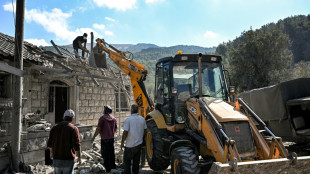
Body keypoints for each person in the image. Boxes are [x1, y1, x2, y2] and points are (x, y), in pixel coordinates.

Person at [47, 109, 81, 174]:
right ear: (73, 119)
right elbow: (77, 145)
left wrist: (52, 153)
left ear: (63, 117)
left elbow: (50, 144)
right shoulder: (74, 129)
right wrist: (79, 158)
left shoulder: (54, 128)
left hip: (57, 160)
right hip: (68, 161)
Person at [121, 104, 147, 174]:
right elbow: (145, 130)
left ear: (131, 110)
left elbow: (125, 132)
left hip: (129, 145)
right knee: (136, 162)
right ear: (138, 110)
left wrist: (122, 142)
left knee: (127, 162)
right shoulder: (142, 119)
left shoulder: (128, 119)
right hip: (138, 144)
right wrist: (141, 137)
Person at [92, 105, 117, 172]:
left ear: (105, 111)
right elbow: (115, 128)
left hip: (104, 139)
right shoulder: (114, 118)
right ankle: (113, 168)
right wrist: (112, 134)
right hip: (111, 138)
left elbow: (98, 129)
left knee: (105, 155)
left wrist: (94, 137)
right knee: (112, 153)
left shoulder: (102, 118)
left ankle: (108, 169)